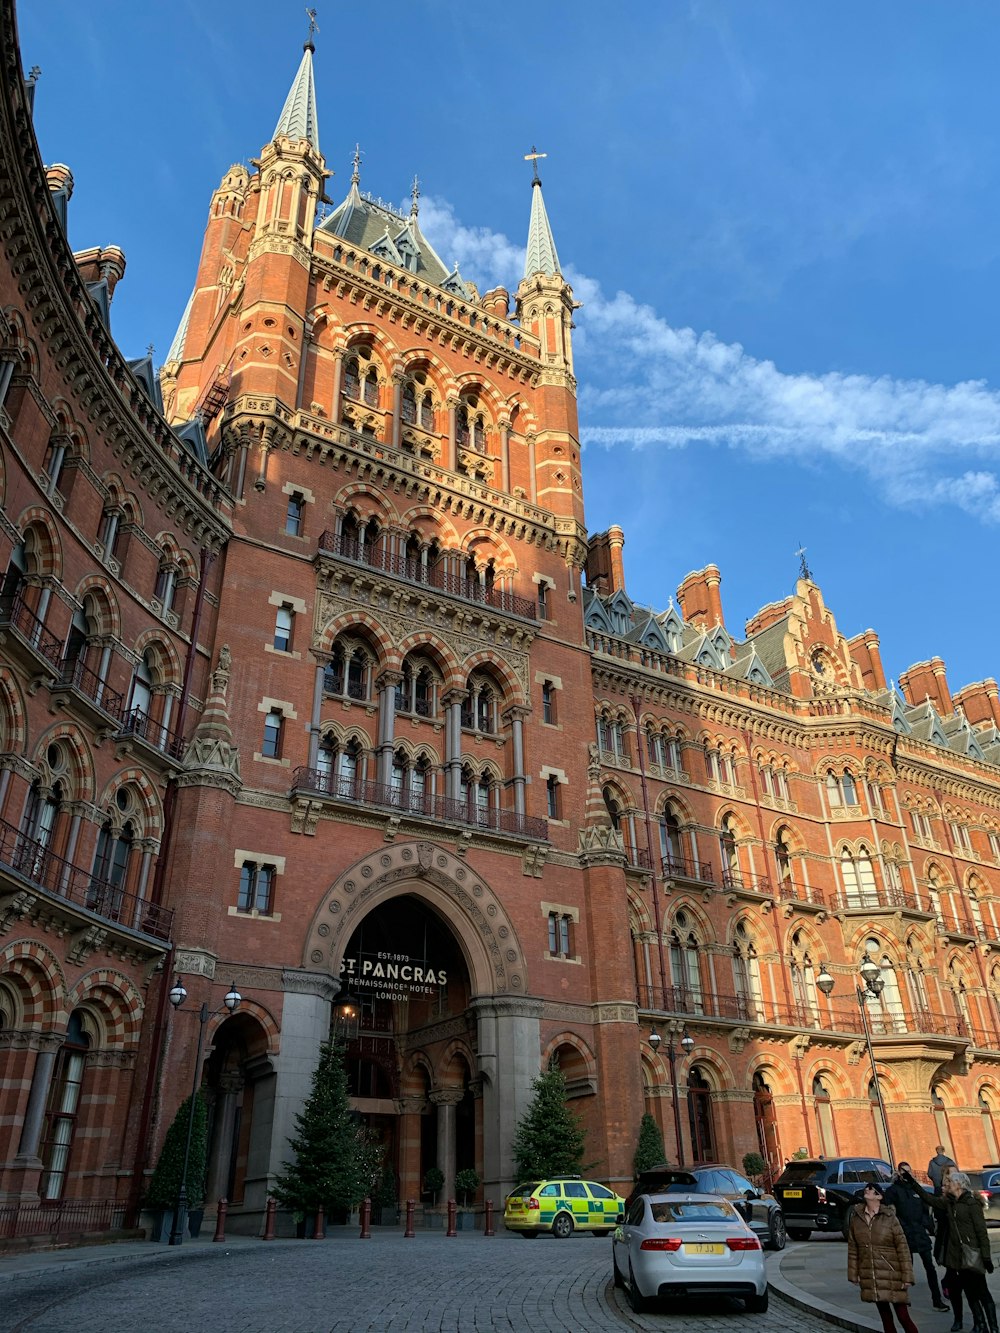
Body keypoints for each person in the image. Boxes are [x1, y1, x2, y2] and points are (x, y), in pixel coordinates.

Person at [905, 1167, 997, 1333]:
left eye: (951, 1182)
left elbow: (981, 1232)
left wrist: (986, 1256)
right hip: (957, 1255)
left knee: (982, 1291)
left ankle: (994, 1327)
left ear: (959, 1185)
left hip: (972, 1252)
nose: (948, 1185)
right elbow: (929, 1199)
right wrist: (913, 1183)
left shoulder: (971, 1203)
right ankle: (981, 1324)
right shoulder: (949, 1202)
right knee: (969, 1291)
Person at [847, 1181, 919, 1333]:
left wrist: (907, 1276)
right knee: (886, 1318)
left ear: (879, 1196)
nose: (867, 1190)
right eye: (866, 1188)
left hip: (892, 1273)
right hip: (871, 1273)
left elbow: (903, 1247)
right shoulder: (856, 1218)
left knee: (903, 1316)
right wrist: (853, 1274)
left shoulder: (889, 1217)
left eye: (871, 1189)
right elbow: (853, 1248)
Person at [884, 1162, 950, 1312]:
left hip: (919, 1233)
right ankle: (902, 1299)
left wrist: (928, 1227)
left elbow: (924, 1210)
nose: (907, 1174)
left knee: (930, 1267)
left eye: (909, 1171)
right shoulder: (893, 1190)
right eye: (904, 1171)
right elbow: (890, 1212)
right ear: (898, 1173)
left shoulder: (915, 1190)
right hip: (904, 1233)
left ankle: (937, 1299)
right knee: (906, 1268)